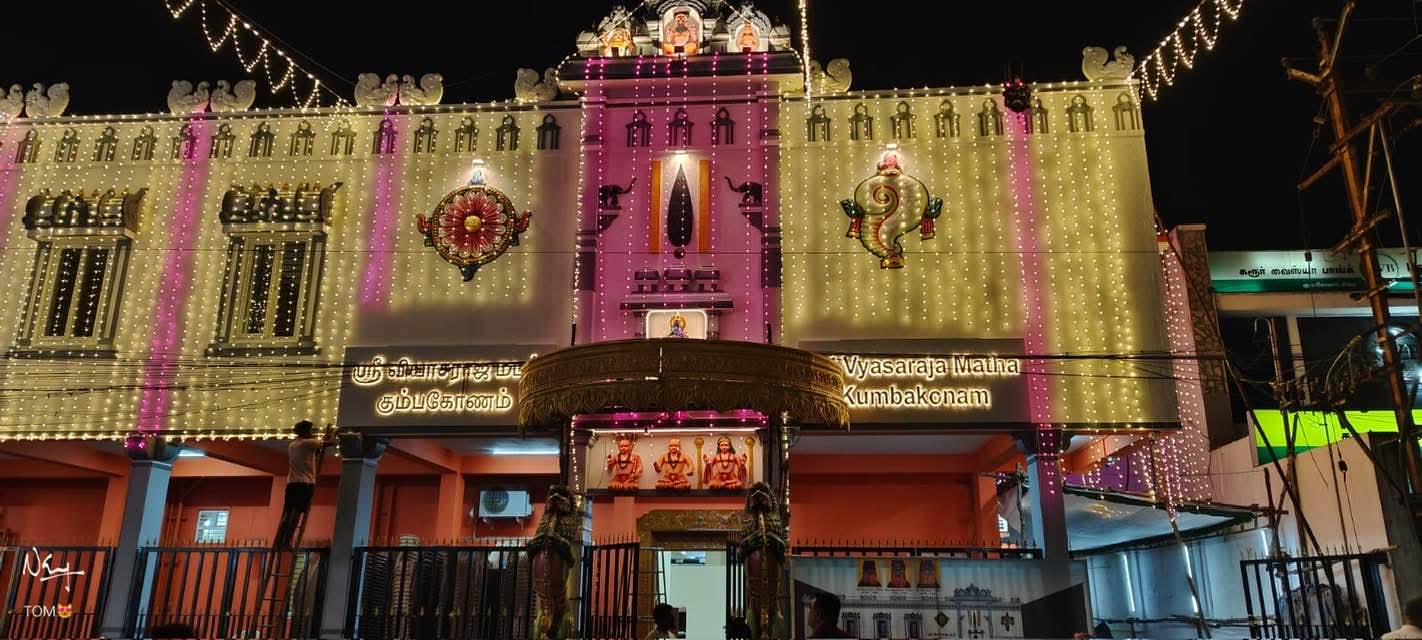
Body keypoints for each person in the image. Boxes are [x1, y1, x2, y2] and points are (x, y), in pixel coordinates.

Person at [273, 420, 331, 551]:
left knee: (288, 513)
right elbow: (330, 443)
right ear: (306, 431)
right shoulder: (308, 443)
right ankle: (287, 541)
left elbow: (314, 453)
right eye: (310, 430)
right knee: (296, 514)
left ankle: (280, 540)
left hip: (292, 483)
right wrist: (334, 433)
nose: (312, 433)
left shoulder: (293, 445)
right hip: (304, 483)